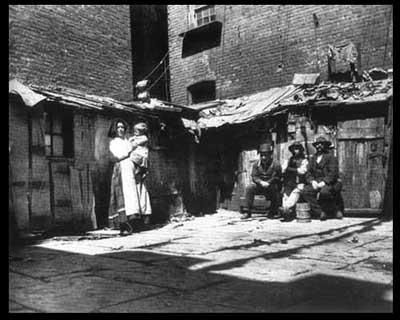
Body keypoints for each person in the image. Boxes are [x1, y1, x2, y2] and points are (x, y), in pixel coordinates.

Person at [108, 119, 152, 235]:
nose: (120, 130)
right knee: (126, 195)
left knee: (136, 194)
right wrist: (130, 149)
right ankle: (125, 224)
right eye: (118, 127)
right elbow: (119, 155)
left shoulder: (128, 140)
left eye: (122, 127)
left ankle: (137, 222)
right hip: (123, 167)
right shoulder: (114, 142)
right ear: (114, 129)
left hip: (133, 168)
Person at [301, 136, 341, 221]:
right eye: (317, 144)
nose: (319, 146)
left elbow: (333, 173)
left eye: (321, 144)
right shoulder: (313, 158)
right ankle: (320, 212)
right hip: (316, 182)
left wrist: (324, 182)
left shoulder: (331, 157)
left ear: (325, 146)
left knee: (324, 192)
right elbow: (308, 172)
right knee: (305, 191)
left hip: (330, 182)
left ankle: (334, 209)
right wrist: (312, 181)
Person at [242, 142, 282, 219]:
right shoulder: (256, 164)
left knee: (276, 190)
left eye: (265, 155)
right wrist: (260, 182)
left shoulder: (276, 164)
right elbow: (254, 176)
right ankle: (247, 211)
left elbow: (277, 177)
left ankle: (273, 211)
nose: (263, 157)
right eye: (262, 155)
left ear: (270, 155)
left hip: (271, 185)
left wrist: (268, 182)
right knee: (250, 188)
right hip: (260, 185)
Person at [280, 141, 308, 222]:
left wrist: (290, 169)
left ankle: (286, 208)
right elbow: (283, 169)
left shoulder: (304, 160)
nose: (296, 150)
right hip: (289, 182)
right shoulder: (289, 160)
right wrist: (285, 169)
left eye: (298, 149)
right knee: (285, 194)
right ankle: (285, 210)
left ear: (301, 150)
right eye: (294, 149)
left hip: (299, 182)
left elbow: (302, 171)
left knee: (296, 192)